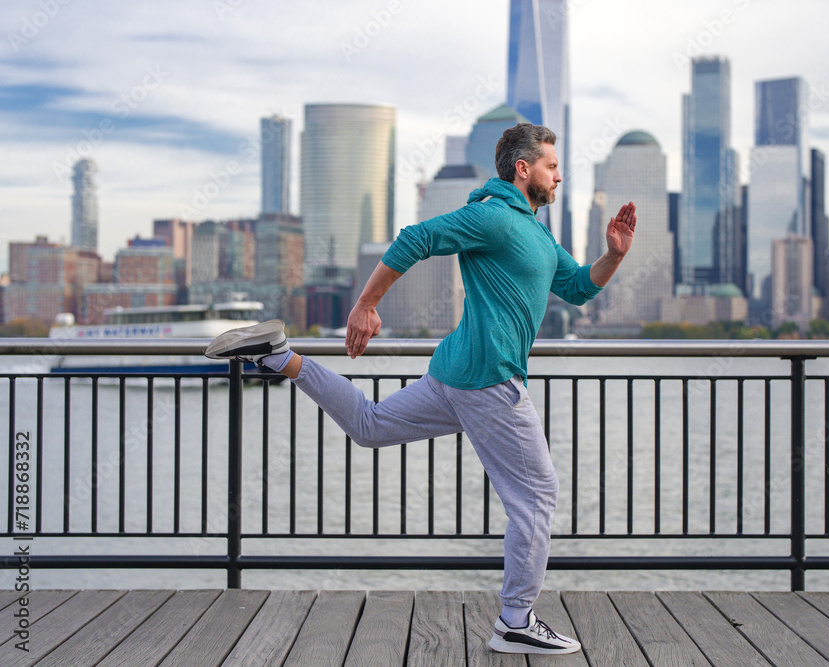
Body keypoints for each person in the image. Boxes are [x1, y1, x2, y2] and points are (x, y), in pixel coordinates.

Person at [206, 122, 636, 655]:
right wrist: (366, 304)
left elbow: (575, 289)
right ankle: (516, 621)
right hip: (490, 381)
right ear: (523, 169)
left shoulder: (537, 230)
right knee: (537, 496)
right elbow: (417, 238)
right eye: (551, 165)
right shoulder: (494, 216)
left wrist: (613, 255)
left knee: (369, 426)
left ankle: (280, 358)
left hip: (454, 375)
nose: (559, 174)